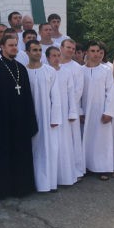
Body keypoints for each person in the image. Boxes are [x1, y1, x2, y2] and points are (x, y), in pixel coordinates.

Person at [0, 35, 38, 199]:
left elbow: (28, 97)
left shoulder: (21, 68)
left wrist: (30, 120)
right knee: (5, 156)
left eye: (15, 45)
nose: (14, 48)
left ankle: (23, 188)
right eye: (10, 45)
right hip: (3, 123)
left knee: (22, 154)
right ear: (3, 47)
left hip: (21, 121)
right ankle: (5, 190)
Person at [25, 40, 61, 192]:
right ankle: (31, 183)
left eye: (40, 50)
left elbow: (56, 96)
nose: (38, 53)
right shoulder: (23, 71)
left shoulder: (50, 71)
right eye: (34, 50)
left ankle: (48, 183)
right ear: (27, 52)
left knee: (47, 149)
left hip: (46, 118)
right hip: (28, 117)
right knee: (31, 149)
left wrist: (54, 118)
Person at [80, 41, 114, 181]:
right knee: (86, 138)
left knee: (101, 140)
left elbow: (110, 92)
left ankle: (103, 168)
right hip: (85, 111)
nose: (95, 54)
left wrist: (109, 112)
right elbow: (77, 93)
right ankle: (86, 166)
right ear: (87, 53)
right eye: (92, 51)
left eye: (97, 51)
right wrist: (79, 111)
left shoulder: (106, 70)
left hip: (101, 111)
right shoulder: (80, 70)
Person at [46, 46, 78, 186]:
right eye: (53, 55)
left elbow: (71, 93)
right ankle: (52, 177)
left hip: (64, 114)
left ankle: (65, 176)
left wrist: (72, 112)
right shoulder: (45, 71)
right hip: (49, 113)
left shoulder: (66, 72)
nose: (56, 58)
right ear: (48, 57)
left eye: (58, 55)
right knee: (51, 145)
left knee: (64, 144)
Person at [59, 39, 85, 179]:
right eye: (68, 47)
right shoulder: (52, 65)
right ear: (61, 48)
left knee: (73, 141)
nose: (70, 50)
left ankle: (75, 170)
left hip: (70, 110)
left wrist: (68, 106)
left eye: (73, 49)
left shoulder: (77, 68)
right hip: (55, 111)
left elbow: (78, 90)